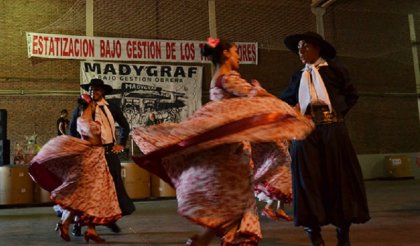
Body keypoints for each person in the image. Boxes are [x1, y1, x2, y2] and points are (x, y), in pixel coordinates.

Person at [131, 38, 314, 246]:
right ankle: (218, 237)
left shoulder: (218, 78)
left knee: (236, 195)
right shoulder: (228, 78)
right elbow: (257, 98)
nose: (238, 57)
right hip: (232, 148)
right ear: (226, 53)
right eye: (236, 52)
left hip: (230, 146)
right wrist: (290, 111)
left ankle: (211, 237)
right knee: (238, 195)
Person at [280, 31, 370, 246]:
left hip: (333, 129)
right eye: (299, 48)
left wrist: (338, 114)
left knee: (339, 178)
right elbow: (286, 100)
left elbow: (351, 94)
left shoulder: (335, 70)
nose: (300, 52)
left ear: (317, 48)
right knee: (306, 179)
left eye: (305, 47)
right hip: (306, 131)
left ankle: (343, 234)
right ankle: (314, 234)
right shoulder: (297, 76)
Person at [29, 94, 122, 243]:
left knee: (89, 197)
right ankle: (70, 225)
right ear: (90, 105)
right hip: (94, 162)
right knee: (91, 195)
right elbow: (95, 142)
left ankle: (87, 229)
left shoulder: (80, 120)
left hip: (92, 161)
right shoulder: (88, 122)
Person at [69, 78, 135, 234]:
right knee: (88, 190)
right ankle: (79, 223)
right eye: (91, 89)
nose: (93, 92)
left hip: (109, 152)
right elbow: (72, 129)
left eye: (97, 89)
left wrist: (121, 143)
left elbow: (125, 126)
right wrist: (78, 147)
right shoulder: (82, 107)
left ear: (103, 91)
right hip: (89, 154)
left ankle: (110, 220)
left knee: (114, 187)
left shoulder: (112, 107)